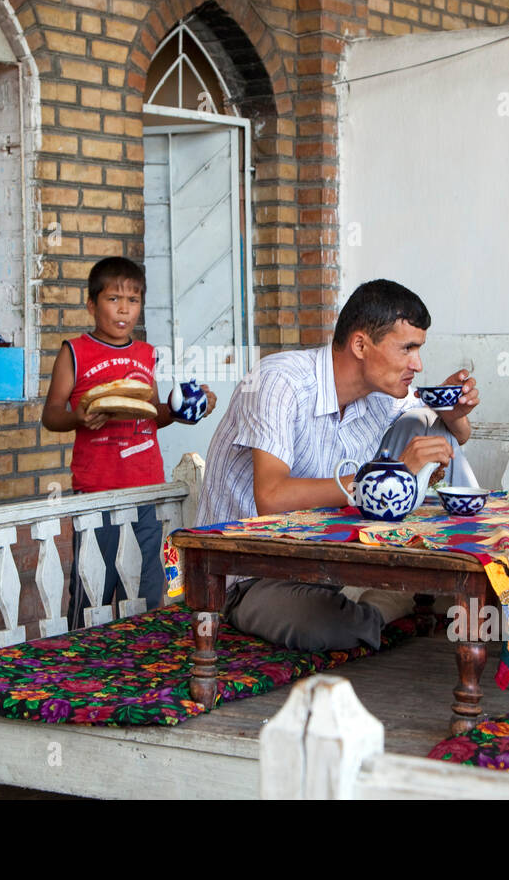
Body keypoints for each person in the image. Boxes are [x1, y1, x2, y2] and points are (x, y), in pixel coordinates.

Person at [196, 279, 479, 652]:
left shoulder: (382, 394)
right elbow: (271, 496)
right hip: (250, 572)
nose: (418, 364)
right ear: (360, 345)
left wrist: (453, 413)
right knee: (327, 626)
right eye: (407, 349)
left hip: (325, 565)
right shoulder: (278, 381)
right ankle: (386, 606)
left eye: (419, 349)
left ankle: (426, 581)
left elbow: (454, 435)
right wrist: (388, 474)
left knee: (424, 427)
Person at [43, 257, 216, 628]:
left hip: (146, 490)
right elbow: (52, 413)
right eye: (113, 299)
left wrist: (187, 407)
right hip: (98, 492)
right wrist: (78, 417)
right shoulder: (74, 351)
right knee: (94, 591)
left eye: (133, 300)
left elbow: (151, 415)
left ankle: (142, 663)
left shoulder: (145, 354)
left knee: (147, 589)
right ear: (91, 305)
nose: (124, 309)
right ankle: (83, 663)